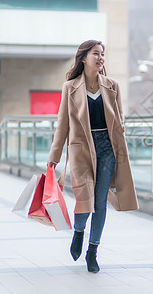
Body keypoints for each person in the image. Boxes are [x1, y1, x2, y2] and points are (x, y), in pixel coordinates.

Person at [47, 40, 138, 273]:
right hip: (81, 150)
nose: (100, 58)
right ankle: (78, 231)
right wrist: (54, 155)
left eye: (103, 54)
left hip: (107, 149)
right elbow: (63, 124)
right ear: (84, 58)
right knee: (84, 200)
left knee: (99, 203)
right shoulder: (70, 87)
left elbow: (119, 121)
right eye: (96, 53)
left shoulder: (113, 86)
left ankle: (93, 251)